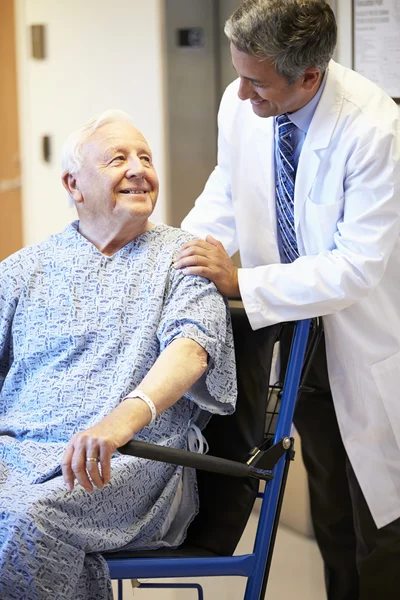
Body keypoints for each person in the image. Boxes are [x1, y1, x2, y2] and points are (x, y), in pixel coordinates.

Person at [174, 1, 400, 598]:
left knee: (382, 520)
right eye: (238, 74)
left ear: (309, 75)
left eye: (258, 81)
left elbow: (357, 267)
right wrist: (183, 259)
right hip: (300, 340)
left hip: (366, 341)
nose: (243, 94)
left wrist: (241, 284)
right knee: (329, 506)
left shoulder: (373, 128)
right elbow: (228, 190)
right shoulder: (241, 101)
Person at [0, 109, 236, 600]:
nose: (137, 169)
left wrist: (122, 419)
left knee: (27, 518)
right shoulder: (23, 270)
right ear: (74, 184)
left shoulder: (184, 256)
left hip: (126, 460)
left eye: (144, 157)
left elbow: (192, 350)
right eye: (117, 159)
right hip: (17, 452)